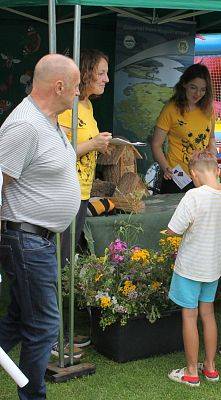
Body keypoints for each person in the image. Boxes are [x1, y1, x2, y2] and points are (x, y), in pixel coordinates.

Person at [0, 54, 81, 400]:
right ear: (59, 86)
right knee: (45, 326)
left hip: (38, 241)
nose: (78, 93)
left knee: (18, 322)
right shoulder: (24, 125)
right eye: (76, 86)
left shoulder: (47, 121)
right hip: (26, 240)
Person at [166, 151, 221, 387]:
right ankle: (211, 367)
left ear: (193, 174)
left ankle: (191, 372)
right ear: (217, 170)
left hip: (190, 267)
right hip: (213, 266)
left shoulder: (193, 196)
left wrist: (167, 233)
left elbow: (174, 229)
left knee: (190, 316)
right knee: (208, 315)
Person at [58, 49, 111, 267]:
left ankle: (64, 295)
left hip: (83, 191)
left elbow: (81, 145)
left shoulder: (87, 104)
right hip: (65, 191)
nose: (106, 79)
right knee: (60, 255)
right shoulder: (66, 106)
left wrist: (101, 145)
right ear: (85, 72)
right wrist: (92, 144)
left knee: (68, 254)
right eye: (101, 73)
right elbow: (58, 152)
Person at [152, 64, 216, 194]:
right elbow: (156, 145)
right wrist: (166, 168)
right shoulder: (171, 109)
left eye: (203, 89)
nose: (198, 94)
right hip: (177, 176)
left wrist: (213, 152)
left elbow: (212, 137)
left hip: (203, 174)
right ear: (184, 84)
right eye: (193, 88)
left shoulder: (209, 108)